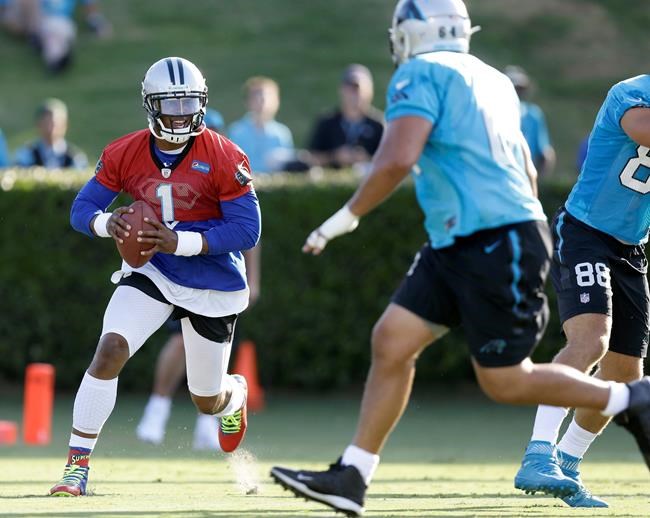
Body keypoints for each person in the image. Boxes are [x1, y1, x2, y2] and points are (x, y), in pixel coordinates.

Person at [269, 2, 650, 516]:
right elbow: (527, 171)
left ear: (415, 32)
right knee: (392, 340)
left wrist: (347, 215)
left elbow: (398, 156)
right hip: (473, 235)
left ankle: (628, 402)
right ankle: (353, 475)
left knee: (506, 379)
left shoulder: (421, 71)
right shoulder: (491, 77)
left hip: (489, 237)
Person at [49, 56, 261, 497]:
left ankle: (233, 397)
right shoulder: (124, 151)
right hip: (152, 269)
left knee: (206, 400)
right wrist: (111, 225)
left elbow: (248, 228)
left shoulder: (224, 154)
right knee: (110, 350)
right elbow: (82, 210)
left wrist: (178, 240)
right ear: (150, 105)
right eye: (171, 103)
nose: (181, 113)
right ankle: (76, 466)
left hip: (211, 280)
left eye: (189, 102)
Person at [514, 74, 650, 508]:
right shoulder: (631, 93)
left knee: (626, 374)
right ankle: (538, 454)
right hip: (585, 232)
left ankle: (567, 466)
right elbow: (643, 129)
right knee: (591, 339)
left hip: (633, 248)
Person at [136, 245, 261, 450]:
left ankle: (208, 423)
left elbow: (249, 230)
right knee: (180, 340)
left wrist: (254, 279)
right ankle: (156, 411)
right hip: (181, 273)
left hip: (223, 276)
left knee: (218, 348)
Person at [307, 63, 384, 171]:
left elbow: (392, 158)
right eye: (350, 89)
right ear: (341, 90)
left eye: (358, 89)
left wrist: (367, 159)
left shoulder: (379, 124)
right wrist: (334, 157)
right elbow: (310, 157)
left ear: (370, 91)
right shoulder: (326, 122)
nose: (354, 94)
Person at [1, 0, 111, 73]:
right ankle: (53, 55)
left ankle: (55, 56)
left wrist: (95, 21)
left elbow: (89, 4)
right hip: (38, 21)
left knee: (55, 33)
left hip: (58, 23)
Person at [228, 76, 294, 174]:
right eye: (256, 95)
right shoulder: (236, 131)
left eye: (269, 96)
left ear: (277, 101)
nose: (263, 100)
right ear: (248, 101)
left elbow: (288, 167)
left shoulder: (282, 132)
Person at [504, 65, 556, 177]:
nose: (517, 92)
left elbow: (546, 154)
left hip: (524, 174)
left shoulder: (533, 114)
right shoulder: (496, 112)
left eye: (519, 89)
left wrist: (537, 181)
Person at [13, 98, 87, 169]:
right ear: (38, 125)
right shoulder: (26, 154)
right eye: (47, 122)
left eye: (56, 122)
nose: (51, 126)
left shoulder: (75, 157)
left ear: (65, 125)